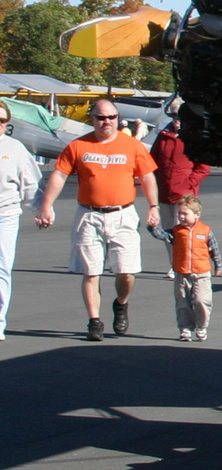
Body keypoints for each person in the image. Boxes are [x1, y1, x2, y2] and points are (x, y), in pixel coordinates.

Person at [35, 98, 161, 341]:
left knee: (126, 271)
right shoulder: (78, 146)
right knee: (91, 271)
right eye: (101, 118)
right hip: (89, 215)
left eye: (112, 117)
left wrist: (153, 207)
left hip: (123, 214)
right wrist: (46, 206)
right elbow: (59, 175)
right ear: (92, 119)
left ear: (118, 119)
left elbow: (147, 177)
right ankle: (94, 321)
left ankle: (121, 303)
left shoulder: (132, 146)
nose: (107, 122)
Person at [0, 100, 44, 342]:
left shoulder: (15, 148)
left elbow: (31, 183)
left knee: (2, 269)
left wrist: (41, 209)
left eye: (2, 121)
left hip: (5, 215)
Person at [150, 196, 220, 342]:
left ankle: (201, 327)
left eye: (185, 214)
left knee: (202, 301)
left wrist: (218, 265)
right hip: (182, 273)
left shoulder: (205, 231)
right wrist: (153, 227)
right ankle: (185, 329)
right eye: (179, 213)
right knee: (183, 303)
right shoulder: (176, 231)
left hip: (201, 273)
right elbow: (162, 235)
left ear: (197, 214)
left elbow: (214, 249)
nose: (181, 217)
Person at [151, 109, 209, 278]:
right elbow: (152, 161)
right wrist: (156, 183)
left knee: (183, 231)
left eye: (180, 118)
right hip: (165, 193)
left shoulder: (195, 138)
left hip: (184, 196)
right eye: (174, 117)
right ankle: (174, 263)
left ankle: (185, 264)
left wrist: (189, 184)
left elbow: (203, 167)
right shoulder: (163, 136)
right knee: (168, 232)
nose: (177, 121)